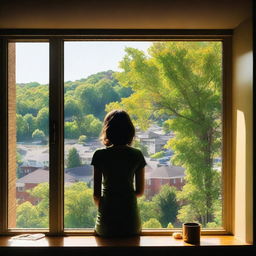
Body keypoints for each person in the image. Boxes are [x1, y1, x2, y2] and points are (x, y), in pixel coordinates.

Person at [91, 109, 146, 237]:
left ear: (108, 130)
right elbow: (140, 192)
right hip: (131, 225)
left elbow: (96, 195)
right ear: (130, 132)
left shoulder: (99, 155)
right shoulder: (137, 155)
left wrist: (108, 207)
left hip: (106, 225)